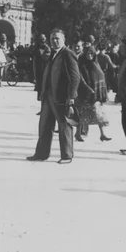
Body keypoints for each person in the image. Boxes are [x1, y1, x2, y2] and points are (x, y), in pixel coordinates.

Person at [28, 28, 80, 164]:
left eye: (57, 38)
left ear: (63, 40)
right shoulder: (52, 54)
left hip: (62, 97)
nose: (54, 41)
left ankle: (67, 156)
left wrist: (71, 97)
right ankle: (41, 154)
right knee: (44, 125)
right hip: (48, 96)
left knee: (64, 125)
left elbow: (75, 77)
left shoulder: (68, 54)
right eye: (52, 39)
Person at [75, 45, 112, 143]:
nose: (89, 55)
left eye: (91, 53)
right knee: (82, 115)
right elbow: (81, 79)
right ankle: (78, 133)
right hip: (84, 94)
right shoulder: (82, 65)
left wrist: (102, 93)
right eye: (87, 53)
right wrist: (88, 89)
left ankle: (102, 134)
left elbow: (101, 78)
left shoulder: (96, 64)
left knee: (99, 114)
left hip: (95, 96)